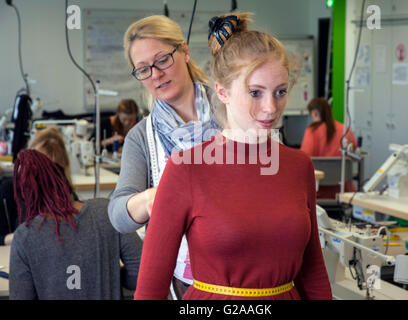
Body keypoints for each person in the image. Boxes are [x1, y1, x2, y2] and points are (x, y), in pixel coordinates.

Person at [133, 12, 332, 300]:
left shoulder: (299, 166)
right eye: (255, 92)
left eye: (280, 92)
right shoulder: (185, 170)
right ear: (222, 91)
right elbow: (151, 286)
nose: (270, 108)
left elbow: (313, 269)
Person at [108, 15, 220, 299]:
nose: (155, 74)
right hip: (180, 283)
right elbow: (119, 214)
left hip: (241, 272)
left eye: (162, 60)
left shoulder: (232, 112)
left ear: (184, 50)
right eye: (143, 69)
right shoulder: (142, 137)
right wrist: (150, 199)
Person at [9, 130, 143, 300]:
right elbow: (141, 272)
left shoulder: (25, 236)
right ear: (66, 169)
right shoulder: (107, 211)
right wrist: (110, 276)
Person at [300, 97, 358, 198]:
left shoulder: (311, 131)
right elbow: (353, 150)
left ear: (314, 113)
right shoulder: (345, 130)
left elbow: (304, 158)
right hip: (342, 190)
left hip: (317, 191)